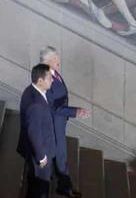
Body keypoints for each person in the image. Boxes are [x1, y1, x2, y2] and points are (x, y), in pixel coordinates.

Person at [40, 47, 89, 198]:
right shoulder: (45, 79)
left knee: (58, 155)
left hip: (59, 121)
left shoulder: (53, 73)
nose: (58, 60)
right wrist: (76, 112)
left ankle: (62, 185)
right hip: (54, 122)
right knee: (60, 155)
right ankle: (63, 188)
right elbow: (54, 108)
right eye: (56, 58)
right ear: (47, 61)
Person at [18, 64, 58, 198]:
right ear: (40, 81)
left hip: (33, 150)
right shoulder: (36, 104)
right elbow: (33, 132)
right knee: (41, 188)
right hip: (40, 155)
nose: (52, 80)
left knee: (35, 183)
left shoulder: (30, 90)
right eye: (49, 78)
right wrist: (42, 157)